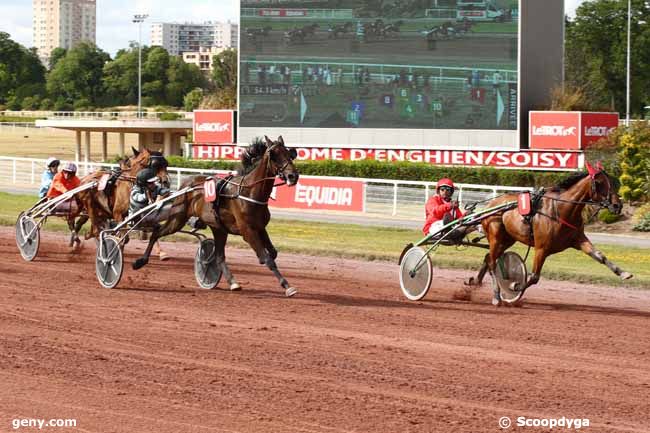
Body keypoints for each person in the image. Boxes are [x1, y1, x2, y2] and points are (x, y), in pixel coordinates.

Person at [129, 168, 171, 261]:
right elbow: (139, 199)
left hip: (151, 215)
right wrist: (153, 197)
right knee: (170, 210)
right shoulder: (135, 191)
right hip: (139, 219)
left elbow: (164, 191)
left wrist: (166, 193)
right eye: (150, 183)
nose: (153, 184)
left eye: (153, 182)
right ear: (144, 184)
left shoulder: (154, 187)